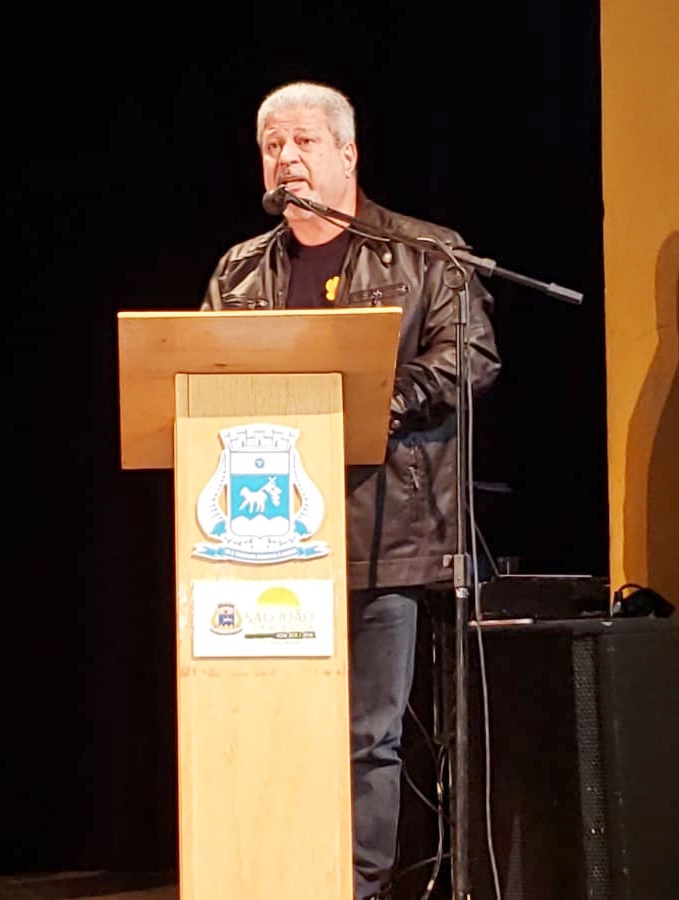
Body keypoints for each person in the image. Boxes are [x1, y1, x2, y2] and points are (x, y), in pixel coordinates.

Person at [200, 80, 501, 900]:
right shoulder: (239, 270)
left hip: (385, 534)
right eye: (272, 146)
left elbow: (469, 357)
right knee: (275, 729)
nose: (286, 158)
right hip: (261, 538)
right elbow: (199, 374)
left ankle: (357, 888)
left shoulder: (426, 254)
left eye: (303, 142)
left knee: (368, 737)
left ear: (347, 153)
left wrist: (377, 402)